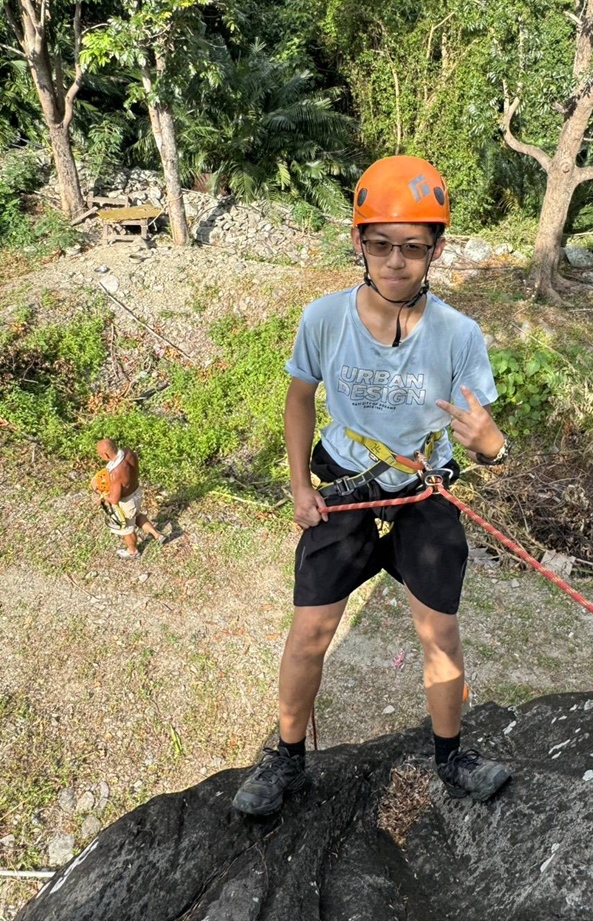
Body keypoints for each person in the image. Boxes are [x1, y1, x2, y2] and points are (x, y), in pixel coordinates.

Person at [233, 155, 513, 816]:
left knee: (439, 632)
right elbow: (300, 399)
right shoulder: (324, 319)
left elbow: (489, 437)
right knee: (310, 632)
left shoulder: (457, 335)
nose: (396, 262)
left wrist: (492, 448)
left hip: (423, 492)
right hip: (347, 485)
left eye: (413, 249)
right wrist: (301, 487)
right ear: (358, 243)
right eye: (381, 245)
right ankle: (286, 758)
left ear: (435, 250)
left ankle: (451, 758)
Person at [91, 439, 165, 559]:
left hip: (126, 502)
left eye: (99, 454)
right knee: (136, 515)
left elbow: (114, 500)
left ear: (105, 455)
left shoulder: (115, 474)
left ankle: (133, 552)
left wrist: (98, 491)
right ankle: (156, 534)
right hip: (136, 492)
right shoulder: (128, 453)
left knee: (127, 530)